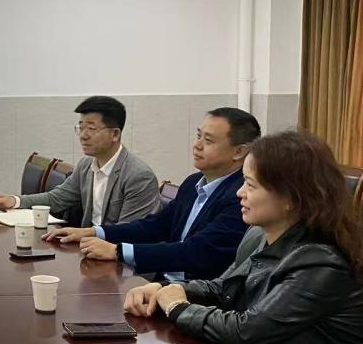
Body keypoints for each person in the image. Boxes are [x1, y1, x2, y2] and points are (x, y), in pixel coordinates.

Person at [124, 131, 363, 344]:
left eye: (250, 185)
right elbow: (225, 288)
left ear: (291, 197)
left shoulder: (320, 261)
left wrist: (177, 307)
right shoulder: (260, 235)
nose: (239, 193)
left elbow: (246, 331)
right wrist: (168, 290)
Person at [52, 107, 260, 281]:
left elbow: (196, 252)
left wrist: (118, 251)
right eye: (198, 136)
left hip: (197, 296)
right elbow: (155, 226)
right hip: (162, 283)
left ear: (239, 152)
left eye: (209, 140)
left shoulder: (241, 197)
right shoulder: (192, 183)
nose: (197, 145)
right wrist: (93, 232)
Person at [0, 96, 160, 227]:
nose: (83, 135)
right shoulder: (86, 165)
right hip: (90, 247)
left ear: (115, 134)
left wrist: (81, 236)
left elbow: (129, 232)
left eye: (91, 128)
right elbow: (57, 198)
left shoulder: (138, 176)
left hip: (118, 258)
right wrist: (15, 201)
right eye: (81, 127)